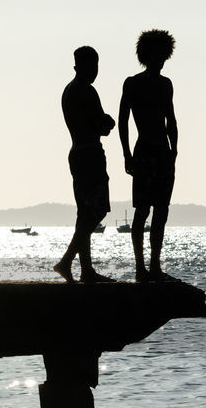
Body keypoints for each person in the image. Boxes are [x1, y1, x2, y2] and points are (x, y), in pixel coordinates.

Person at [118, 29, 179, 283]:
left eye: (164, 56)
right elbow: (123, 121)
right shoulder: (132, 83)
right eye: (158, 56)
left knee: (161, 211)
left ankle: (154, 265)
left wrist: (174, 150)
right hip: (144, 152)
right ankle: (141, 268)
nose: (161, 61)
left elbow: (171, 120)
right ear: (147, 56)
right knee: (143, 211)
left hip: (162, 153)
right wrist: (127, 154)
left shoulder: (166, 84)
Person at [54, 46, 116, 284]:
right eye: (93, 66)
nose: (95, 71)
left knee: (84, 213)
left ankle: (86, 269)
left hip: (76, 152)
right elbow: (101, 126)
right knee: (97, 210)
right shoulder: (87, 91)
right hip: (90, 152)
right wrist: (108, 122)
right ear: (80, 67)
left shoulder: (68, 91)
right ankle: (68, 260)